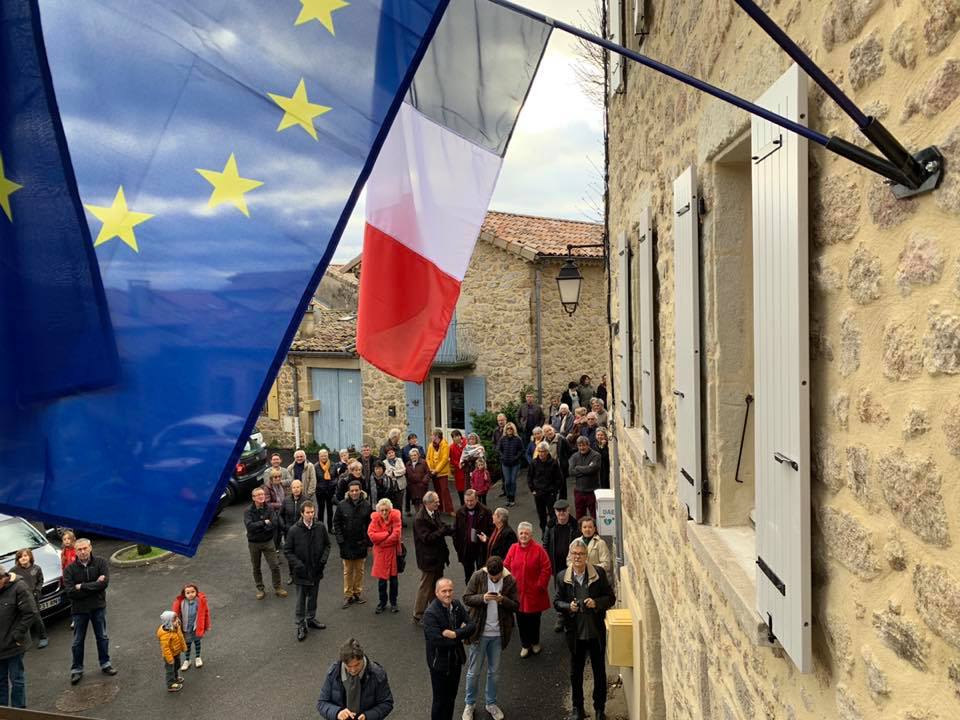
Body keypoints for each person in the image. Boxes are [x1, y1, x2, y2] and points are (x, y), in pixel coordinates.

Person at [554, 538, 615, 720]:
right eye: (574, 554)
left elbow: (610, 598)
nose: (577, 557)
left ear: (587, 556)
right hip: (575, 635)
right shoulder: (562, 577)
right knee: (575, 674)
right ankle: (577, 709)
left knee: (599, 673)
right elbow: (556, 602)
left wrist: (596, 602)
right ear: (570, 556)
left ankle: (599, 710)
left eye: (581, 554)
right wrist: (568, 607)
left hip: (595, 633)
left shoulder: (599, 573)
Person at [461, 556, 518, 720]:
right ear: (487, 570)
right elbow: (466, 597)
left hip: (498, 635)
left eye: (497, 577)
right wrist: (483, 598)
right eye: (492, 577)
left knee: (494, 672)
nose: (494, 579)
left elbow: (515, 605)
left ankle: (491, 703)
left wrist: (502, 600)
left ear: (502, 571)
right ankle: (469, 704)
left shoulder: (510, 580)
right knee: (474, 672)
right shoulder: (478, 576)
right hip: (479, 632)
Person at [64, 538, 118, 684]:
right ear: (75, 551)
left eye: (85, 548)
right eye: (79, 549)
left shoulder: (101, 563)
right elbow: (70, 592)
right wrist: (94, 585)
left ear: (90, 548)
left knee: (102, 637)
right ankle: (77, 669)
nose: (82, 552)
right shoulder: (69, 569)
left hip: (98, 607)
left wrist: (81, 586)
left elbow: (104, 583)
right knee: (77, 641)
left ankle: (105, 663)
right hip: (79, 610)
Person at [423, 578, 476, 720]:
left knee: (451, 698)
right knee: (440, 701)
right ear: (436, 593)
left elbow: (472, 625)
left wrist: (455, 634)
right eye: (444, 591)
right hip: (439, 665)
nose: (448, 594)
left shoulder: (457, 605)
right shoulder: (430, 614)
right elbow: (437, 641)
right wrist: (462, 633)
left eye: (450, 590)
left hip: (455, 661)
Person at [503, 522, 551, 658]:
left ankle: (535, 642)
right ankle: (525, 645)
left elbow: (546, 568)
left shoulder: (539, 550)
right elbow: (506, 566)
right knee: (521, 621)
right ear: (518, 534)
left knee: (534, 620)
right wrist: (508, 585)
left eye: (526, 533)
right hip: (518, 594)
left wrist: (540, 585)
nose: (524, 536)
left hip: (534, 594)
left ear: (531, 535)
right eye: (521, 533)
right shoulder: (513, 548)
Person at [284, 500, 330, 641]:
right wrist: (298, 565)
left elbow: (328, 545)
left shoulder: (320, 527)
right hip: (301, 573)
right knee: (300, 601)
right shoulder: (294, 530)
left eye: (312, 512)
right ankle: (300, 625)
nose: (311, 515)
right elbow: (287, 550)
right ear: (302, 513)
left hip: (316, 570)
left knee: (313, 598)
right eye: (308, 513)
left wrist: (323, 560)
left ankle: (311, 619)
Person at [317, 638, 395, 720]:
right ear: (343, 662)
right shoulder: (333, 673)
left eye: (357, 665)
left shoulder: (377, 674)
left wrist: (368, 716)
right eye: (349, 666)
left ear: (362, 658)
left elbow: (387, 703)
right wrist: (337, 713)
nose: (353, 670)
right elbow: (322, 703)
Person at [413, 491, 454, 623]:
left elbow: (439, 525)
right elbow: (427, 538)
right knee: (425, 587)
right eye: (436, 501)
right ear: (427, 503)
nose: (438, 503)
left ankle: (435, 610)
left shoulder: (434, 512)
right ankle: (418, 615)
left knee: (436, 585)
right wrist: (442, 531)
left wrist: (449, 529)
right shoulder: (420, 519)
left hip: (437, 557)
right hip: (428, 559)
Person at [0, 565, 36, 708]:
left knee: (17, 679)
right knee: (0, 681)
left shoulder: (19, 587)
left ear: (3, 578)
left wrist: (17, 635)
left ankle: (18, 711)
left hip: (14, 645)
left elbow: (30, 613)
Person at [543, 499, 581, 632]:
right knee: (560, 591)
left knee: (573, 589)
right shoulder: (550, 525)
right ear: (555, 512)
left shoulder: (575, 525)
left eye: (564, 511)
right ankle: (561, 616)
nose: (561, 514)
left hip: (572, 565)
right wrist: (548, 564)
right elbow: (546, 545)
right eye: (559, 511)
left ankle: (573, 616)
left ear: (568, 510)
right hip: (556, 565)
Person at [244, 487, 288, 601]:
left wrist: (260, 526)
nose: (261, 496)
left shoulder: (269, 508)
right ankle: (260, 588)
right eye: (258, 495)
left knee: (274, 565)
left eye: (262, 494)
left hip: (268, 541)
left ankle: (278, 587)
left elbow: (274, 523)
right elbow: (249, 526)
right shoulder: (248, 511)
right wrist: (264, 522)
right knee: (256, 567)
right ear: (253, 498)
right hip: (254, 543)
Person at [335, 480, 373, 609]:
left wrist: (368, 542)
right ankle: (348, 595)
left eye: (357, 490)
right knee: (347, 571)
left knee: (360, 570)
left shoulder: (367, 505)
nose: (354, 493)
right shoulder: (341, 505)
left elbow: (370, 525)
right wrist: (340, 540)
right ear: (348, 492)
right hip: (346, 543)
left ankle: (357, 593)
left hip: (361, 543)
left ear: (361, 491)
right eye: (352, 491)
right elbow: (337, 523)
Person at [368, 498, 402, 614]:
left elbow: (396, 536)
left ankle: (393, 602)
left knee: (394, 581)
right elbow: (372, 536)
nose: (384, 513)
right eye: (381, 510)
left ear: (390, 510)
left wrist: (381, 541)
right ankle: (382, 602)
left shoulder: (396, 518)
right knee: (382, 581)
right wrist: (387, 533)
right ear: (378, 511)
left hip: (392, 553)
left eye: (386, 510)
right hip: (381, 555)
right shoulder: (375, 520)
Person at [453, 490, 493, 584]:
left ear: (477, 499)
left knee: (482, 576)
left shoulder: (486, 511)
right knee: (468, 577)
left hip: (481, 549)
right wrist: (458, 548)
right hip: (466, 549)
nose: (469, 503)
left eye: (471, 500)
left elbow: (492, 530)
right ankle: (469, 597)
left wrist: (487, 540)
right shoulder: (460, 512)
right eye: (467, 500)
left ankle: (481, 597)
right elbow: (455, 532)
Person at [14, 549, 47, 649]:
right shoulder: (13, 571)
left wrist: (37, 590)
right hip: (20, 599)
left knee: (36, 617)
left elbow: (40, 580)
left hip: (33, 597)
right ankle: (23, 640)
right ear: (18, 560)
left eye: (25, 555)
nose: (23, 558)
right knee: (21, 619)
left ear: (30, 557)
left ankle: (43, 637)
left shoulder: (36, 569)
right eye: (20, 557)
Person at [172, 583, 210, 671]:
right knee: (187, 645)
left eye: (193, 592)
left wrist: (206, 625)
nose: (191, 594)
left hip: (196, 627)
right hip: (185, 628)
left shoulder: (200, 601)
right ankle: (187, 660)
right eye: (188, 593)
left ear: (196, 592)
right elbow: (175, 614)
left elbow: (205, 613)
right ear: (184, 594)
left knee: (197, 642)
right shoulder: (181, 602)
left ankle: (198, 657)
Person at [528, 441, 563, 534]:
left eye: (543, 451)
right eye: (539, 451)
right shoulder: (533, 463)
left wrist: (555, 491)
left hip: (550, 493)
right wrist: (533, 490)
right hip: (538, 493)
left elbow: (559, 478)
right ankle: (544, 531)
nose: (541, 453)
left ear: (547, 452)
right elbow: (529, 477)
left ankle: (553, 530)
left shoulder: (553, 463)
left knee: (552, 513)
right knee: (541, 514)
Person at [570, 436, 601, 521]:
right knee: (579, 516)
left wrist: (578, 468)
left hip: (592, 491)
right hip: (579, 491)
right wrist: (586, 469)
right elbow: (571, 472)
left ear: (588, 445)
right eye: (579, 446)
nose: (581, 448)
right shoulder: (574, 456)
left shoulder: (596, 455)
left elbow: (593, 469)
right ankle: (580, 533)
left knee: (594, 516)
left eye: (583, 445)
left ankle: (595, 533)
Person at [156, 611, 186, 693]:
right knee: (170, 670)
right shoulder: (165, 635)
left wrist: (183, 647)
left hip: (176, 652)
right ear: (168, 623)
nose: (177, 621)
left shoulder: (176, 628)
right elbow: (165, 649)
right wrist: (170, 659)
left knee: (177, 666)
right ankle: (170, 684)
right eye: (174, 620)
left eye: (176, 618)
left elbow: (181, 637)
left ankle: (175, 678)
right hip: (169, 656)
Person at [426, 429, 455, 513]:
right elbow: (427, 458)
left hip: (442, 472)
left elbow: (445, 459)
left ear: (437, 437)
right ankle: (439, 508)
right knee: (437, 491)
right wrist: (430, 468)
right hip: (433, 472)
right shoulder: (431, 445)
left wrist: (436, 470)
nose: (431, 437)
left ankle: (450, 509)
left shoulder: (445, 445)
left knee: (445, 490)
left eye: (433, 435)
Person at [495, 422, 523, 507]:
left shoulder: (518, 439)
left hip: (515, 464)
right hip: (505, 463)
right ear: (505, 430)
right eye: (508, 428)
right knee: (507, 481)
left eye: (511, 428)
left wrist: (516, 457)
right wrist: (502, 456)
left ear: (513, 429)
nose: (509, 430)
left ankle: (512, 498)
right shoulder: (502, 439)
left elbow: (521, 450)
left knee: (513, 481)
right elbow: (498, 449)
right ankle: (508, 497)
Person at [315, 449, 338, 531]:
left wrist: (333, 483)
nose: (323, 457)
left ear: (328, 456)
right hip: (320, 492)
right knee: (320, 510)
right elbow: (315, 480)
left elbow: (336, 477)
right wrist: (320, 486)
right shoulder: (316, 466)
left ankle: (330, 527)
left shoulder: (333, 465)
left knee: (330, 510)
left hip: (330, 491)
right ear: (319, 456)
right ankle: (320, 528)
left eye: (325, 455)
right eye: (322, 456)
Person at [382, 447, 408, 518]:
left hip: (401, 485)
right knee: (392, 504)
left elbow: (403, 470)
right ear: (386, 455)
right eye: (389, 453)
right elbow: (386, 473)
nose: (391, 454)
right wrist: (396, 472)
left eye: (392, 452)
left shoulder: (399, 460)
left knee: (400, 504)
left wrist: (394, 473)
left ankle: (400, 519)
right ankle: (392, 519)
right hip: (390, 486)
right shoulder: (384, 462)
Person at [405, 448, 431, 514]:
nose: (413, 457)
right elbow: (406, 475)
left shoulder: (423, 462)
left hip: (422, 486)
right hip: (412, 487)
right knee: (415, 503)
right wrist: (409, 484)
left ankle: (424, 516)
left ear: (418, 455)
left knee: (423, 502)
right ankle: (418, 516)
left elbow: (428, 473)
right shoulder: (407, 464)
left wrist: (424, 482)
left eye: (415, 455)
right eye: (411, 455)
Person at [448, 429, 467, 505]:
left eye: (457, 436)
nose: (456, 438)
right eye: (454, 437)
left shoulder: (467, 442)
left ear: (460, 436)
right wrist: (458, 464)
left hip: (468, 467)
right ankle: (462, 503)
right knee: (460, 487)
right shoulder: (451, 447)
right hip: (459, 470)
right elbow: (452, 460)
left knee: (470, 485)